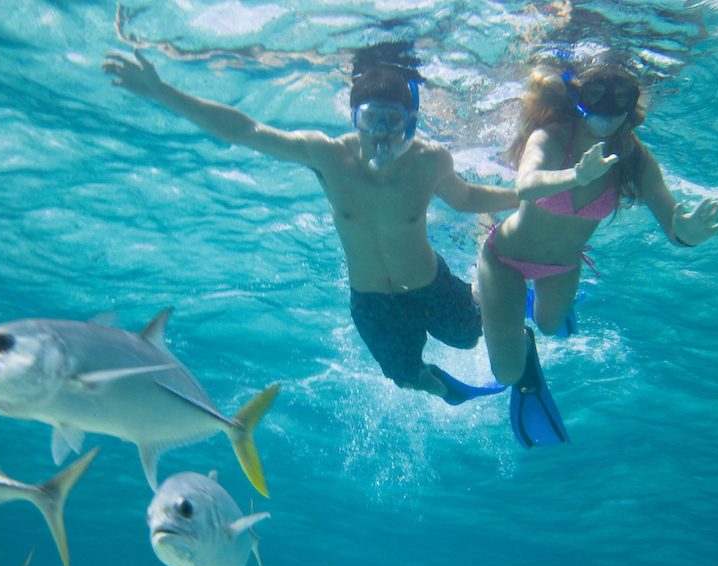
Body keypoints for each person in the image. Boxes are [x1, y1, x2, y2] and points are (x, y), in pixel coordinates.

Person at [103, 43, 518, 404]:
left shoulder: (430, 161)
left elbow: (467, 198)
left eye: (392, 122)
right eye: (370, 119)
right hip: (372, 302)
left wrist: (524, 196)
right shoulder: (327, 156)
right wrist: (160, 91)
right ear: (354, 117)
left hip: (430, 285)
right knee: (408, 378)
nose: (380, 135)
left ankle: (489, 288)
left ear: (409, 122)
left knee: (471, 335)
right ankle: (445, 391)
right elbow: (245, 130)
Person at [477, 61, 718, 447]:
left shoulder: (633, 157)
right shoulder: (551, 137)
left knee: (551, 326)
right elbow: (526, 185)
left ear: (632, 106)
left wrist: (687, 233)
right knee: (508, 372)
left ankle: (529, 317)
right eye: (597, 98)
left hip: (563, 264)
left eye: (620, 103)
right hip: (506, 258)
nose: (608, 116)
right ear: (578, 96)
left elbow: (671, 218)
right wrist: (577, 175)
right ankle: (520, 348)